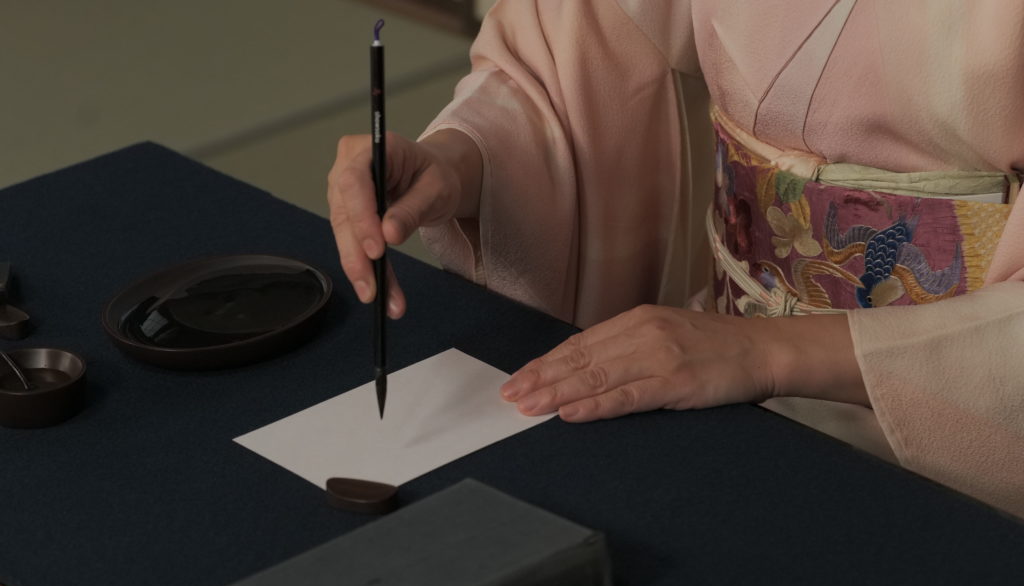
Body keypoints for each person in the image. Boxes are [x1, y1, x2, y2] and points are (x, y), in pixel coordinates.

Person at [327, 1, 1024, 518]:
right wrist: (462, 159)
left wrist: (766, 352)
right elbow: (576, 50)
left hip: (938, 434)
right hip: (703, 377)